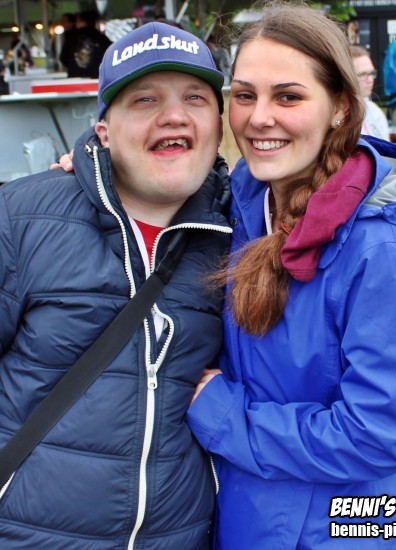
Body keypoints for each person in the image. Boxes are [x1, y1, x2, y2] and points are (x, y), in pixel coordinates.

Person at [185, 4, 396, 549]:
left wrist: (224, 416)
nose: (259, 118)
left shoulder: (385, 252)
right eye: (244, 95)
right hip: (247, 517)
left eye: (288, 97)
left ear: (340, 107)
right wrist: (89, 172)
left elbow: (382, 434)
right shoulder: (242, 202)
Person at [0, 21, 231, 548]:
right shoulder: (22, 217)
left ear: (218, 126)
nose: (173, 115)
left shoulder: (242, 235)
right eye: (145, 99)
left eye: (195, 98)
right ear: (103, 130)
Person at [351, 44, 396, 147]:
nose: (370, 80)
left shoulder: (373, 110)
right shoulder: (337, 118)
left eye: (371, 73)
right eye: (363, 74)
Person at [59, 9, 112, 78]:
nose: (76, 24)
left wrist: (73, 66)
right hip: (96, 77)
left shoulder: (72, 38)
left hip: (75, 77)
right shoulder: (102, 38)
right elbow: (110, 56)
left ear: (82, 22)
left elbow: (63, 57)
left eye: (77, 21)